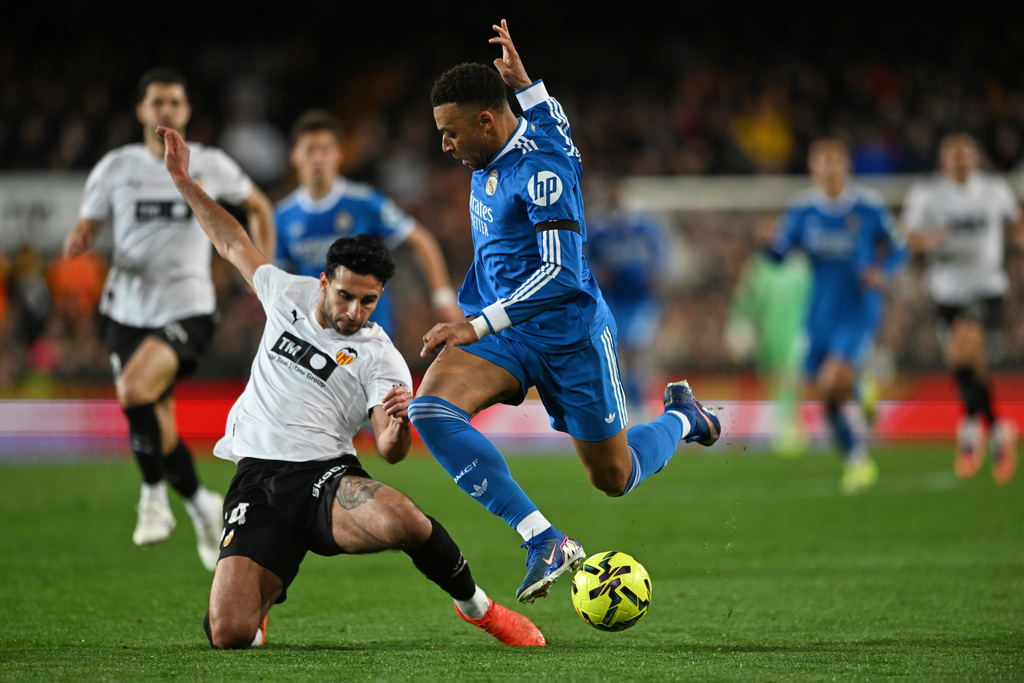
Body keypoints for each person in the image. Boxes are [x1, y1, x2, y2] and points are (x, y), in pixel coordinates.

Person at [157, 124, 546, 649]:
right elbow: (231, 241)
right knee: (229, 634)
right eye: (345, 296)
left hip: (325, 479)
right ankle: (265, 587)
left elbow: (389, 450)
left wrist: (399, 424)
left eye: (369, 301)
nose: (355, 312)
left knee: (406, 521)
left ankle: (479, 608)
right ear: (324, 282)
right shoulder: (284, 293)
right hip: (257, 478)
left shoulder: (380, 355)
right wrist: (183, 181)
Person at [408, 20, 721, 605]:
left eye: (451, 133)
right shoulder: (512, 142)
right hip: (506, 336)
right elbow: (552, 117)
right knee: (430, 410)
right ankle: (543, 539)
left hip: (569, 336)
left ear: (486, 121)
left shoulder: (542, 172)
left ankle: (684, 419)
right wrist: (525, 82)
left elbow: (562, 275)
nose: (444, 145)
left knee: (614, 477)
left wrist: (475, 323)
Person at [63, 68, 276, 570]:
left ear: (187, 111)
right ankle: (202, 508)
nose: (166, 110)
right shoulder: (116, 167)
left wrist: (262, 269)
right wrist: (81, 238)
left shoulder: (210, 163)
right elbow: (87, 222)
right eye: (157, 102)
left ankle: (153, 498)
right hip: (124, 311)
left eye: (175, 102)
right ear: (140, 110)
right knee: (159, 427)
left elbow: (259, 205)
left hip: (187, 308)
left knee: (134, 388)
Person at [762, 136, 907, 494]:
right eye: (822, 161)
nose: (829, 168)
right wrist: (766, 244)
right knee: (821, 394)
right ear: (813, 167)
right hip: (818, 312)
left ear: (846, 165)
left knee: (830, 383)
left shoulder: (867, 207)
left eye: (835, 160)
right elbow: (778, 256)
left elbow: (899, 247)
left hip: (857, 308)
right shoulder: (801, 211)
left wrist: (882, 270)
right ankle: (857, 458)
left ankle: (855, 390)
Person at [274, 109, 464, 340]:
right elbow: (277, 279)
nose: (318, 158)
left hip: (370, 334)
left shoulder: (364, 202)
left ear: (339, 154)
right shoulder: (282, 216)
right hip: (318, 336)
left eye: (325, 149)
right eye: (310, 150)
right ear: (294, 155)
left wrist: (443, 297)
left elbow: (421, 240)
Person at [901, 132, 1023, 485]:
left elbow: (1016, 225)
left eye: (965, 152)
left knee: (962, 348)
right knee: (966, 359)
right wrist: (926, 240)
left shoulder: (994, 189)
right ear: (943, 159)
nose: (959, 158)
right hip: (946, 291)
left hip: (987, 286)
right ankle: (996, 428)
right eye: (952, 153)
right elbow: (907, 236)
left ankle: (970, 426)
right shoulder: (927, 193)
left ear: (975, 157)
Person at [583, 177, 670, 416]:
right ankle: (627, 406)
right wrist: (599, 275)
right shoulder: (599, 229)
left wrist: (655, 273)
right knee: (617, 354)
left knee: (632, 350)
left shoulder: (642, 225)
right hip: (613, 300)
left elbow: (661, 254)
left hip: (641, 300)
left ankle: (641, 406)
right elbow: (586, 261)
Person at [724, 237, 811, 456]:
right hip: (770, 337)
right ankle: (786, 428)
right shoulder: (761, 269)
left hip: (794, 334)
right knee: (781, 380)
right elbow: (746, 302)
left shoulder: (801, 269)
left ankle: (787, 429)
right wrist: (740, 324)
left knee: (789, 378)